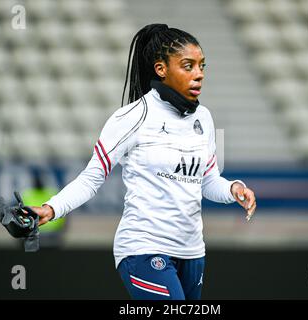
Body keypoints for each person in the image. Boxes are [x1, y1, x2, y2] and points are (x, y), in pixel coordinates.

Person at [27, 23, 257, 300]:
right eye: (188, 66)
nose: (198, 75)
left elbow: (207, 181)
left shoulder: (204, 119)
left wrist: (234, 189)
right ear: (161, 69)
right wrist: (52, 208)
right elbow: (92, 177)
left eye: (202, 66)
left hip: (193, 252)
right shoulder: (131, 118)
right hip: (143, 248)